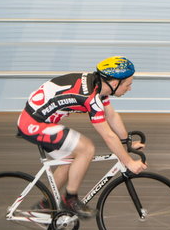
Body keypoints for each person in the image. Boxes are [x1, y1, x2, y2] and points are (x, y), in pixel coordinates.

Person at [16, 56, 147, 218]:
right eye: (128, 84)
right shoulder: (91, 99)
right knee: (86, 148)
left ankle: (45, 205)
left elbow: (111, 116)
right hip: (33, 123)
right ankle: (70, 200)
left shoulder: (98, 85)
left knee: (69, 160)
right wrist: (129, 162)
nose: (130, 88)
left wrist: (126, 142)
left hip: (38, 120)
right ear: (115, 84)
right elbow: (107, 135)